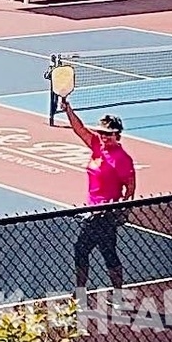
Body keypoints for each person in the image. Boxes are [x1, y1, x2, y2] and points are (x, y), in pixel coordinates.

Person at [59, 97, 135, 301]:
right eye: (101, 132)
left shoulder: (122, 158)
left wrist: (122, 210)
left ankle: (81, 293)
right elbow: (80, 129)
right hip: (92, 210)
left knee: (82, 248)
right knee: (108, 252)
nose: (103, 136)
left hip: (105, 214)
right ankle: (115, 295)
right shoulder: (96, 146)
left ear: (117, 135)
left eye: (108, 134)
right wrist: (68, 109)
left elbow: (130, 186)